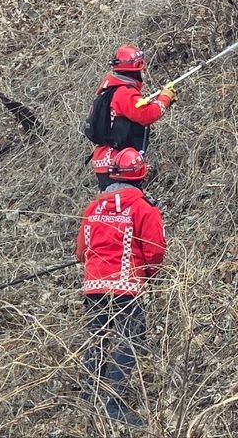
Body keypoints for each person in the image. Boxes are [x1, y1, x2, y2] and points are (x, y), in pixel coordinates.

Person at [76, 147, 166, 425]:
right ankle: (114, 404)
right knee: (132, 340)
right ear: (141, 176)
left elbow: (81, 250)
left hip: (94, 287)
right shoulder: (143, 209)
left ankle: (90, 398)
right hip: (127, 287)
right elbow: (154, 251)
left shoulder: (93, 208)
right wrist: (150, 277)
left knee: (98, 339)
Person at [88, 44, 176, 189]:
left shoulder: (111, 90)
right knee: (124, 199)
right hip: (118, 164)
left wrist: (162, 101)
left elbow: (136, 111)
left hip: (105, 161)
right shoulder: (124, 93)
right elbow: (147, 114)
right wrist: (165, 98)